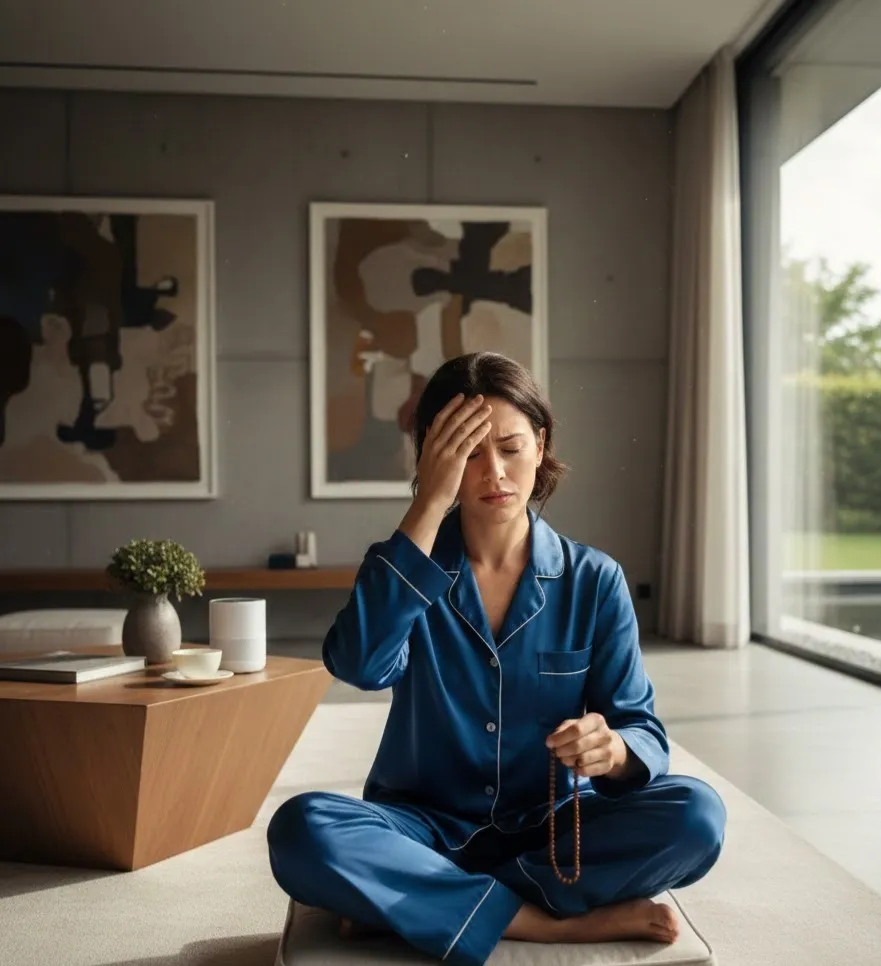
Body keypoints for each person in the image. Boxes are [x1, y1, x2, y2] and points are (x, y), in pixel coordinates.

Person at [266, 352, 727, 966]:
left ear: (540, 445)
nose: (494, 474)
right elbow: (359, 666)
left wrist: (612, 749)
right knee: (301, 828)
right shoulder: (401, 564)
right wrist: (427, 507)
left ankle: (426, 906)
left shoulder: (594, 579)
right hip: (421, 829)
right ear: (432, 459)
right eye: (467, 455)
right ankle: (548, 924)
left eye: (510, 448)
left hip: (554, 832)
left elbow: (639, 728)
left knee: (698, 816)